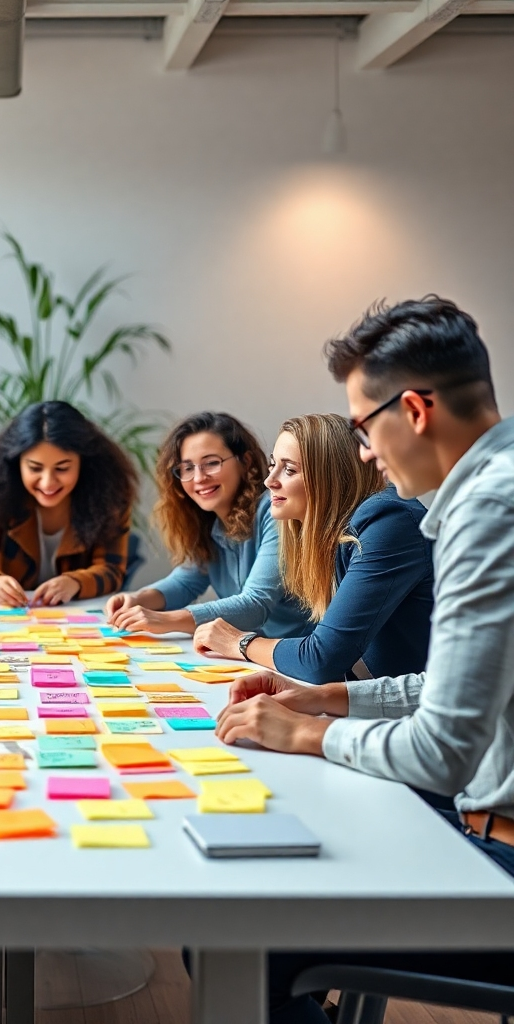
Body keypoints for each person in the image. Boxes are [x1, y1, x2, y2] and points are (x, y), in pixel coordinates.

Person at [213, 297, 514, 1023]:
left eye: (362, 428)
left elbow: (442, 752)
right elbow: (453, 687)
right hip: (486, 834)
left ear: (412, 410)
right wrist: (326, 701)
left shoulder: (489, 512)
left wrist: (304, 734)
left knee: (231, 934)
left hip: (498, 865)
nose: (365, 453)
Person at [194, 413, 434, 683]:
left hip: (417, 715)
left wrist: (239, 643)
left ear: (332, 476)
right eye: (273, 465)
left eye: (290, 469)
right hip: (364, 702)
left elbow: (320, 659)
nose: (269, 480)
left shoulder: (388, 522)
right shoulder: (335, 532)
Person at [106, 412, 312, 640]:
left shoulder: (274, 510)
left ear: (246, 462)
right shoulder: (210, 521)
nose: (199, 477)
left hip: (297, 658)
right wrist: (139, 599)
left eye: (211, 463)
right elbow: (185, 582)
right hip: (253, 656)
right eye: (187, 468)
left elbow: (255, 605)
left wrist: (165, 620)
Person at [0, 401, 137, 606]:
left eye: (62, 468)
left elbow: (112, 570)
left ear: (84, 463)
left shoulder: (110, 498)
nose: (48, 482)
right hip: (14, 619)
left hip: (76, 617)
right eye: (35, 468)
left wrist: (74, 582)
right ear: (16, 462)